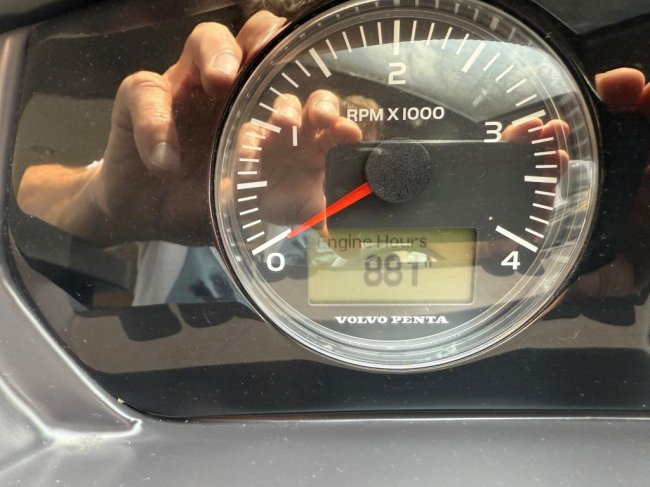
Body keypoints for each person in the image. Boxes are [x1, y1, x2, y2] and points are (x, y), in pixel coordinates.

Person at [16, 3, 650, 306]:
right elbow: (24, 197)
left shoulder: (550, 183)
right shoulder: (221, 164)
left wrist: (606, 258)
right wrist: (114, 202)